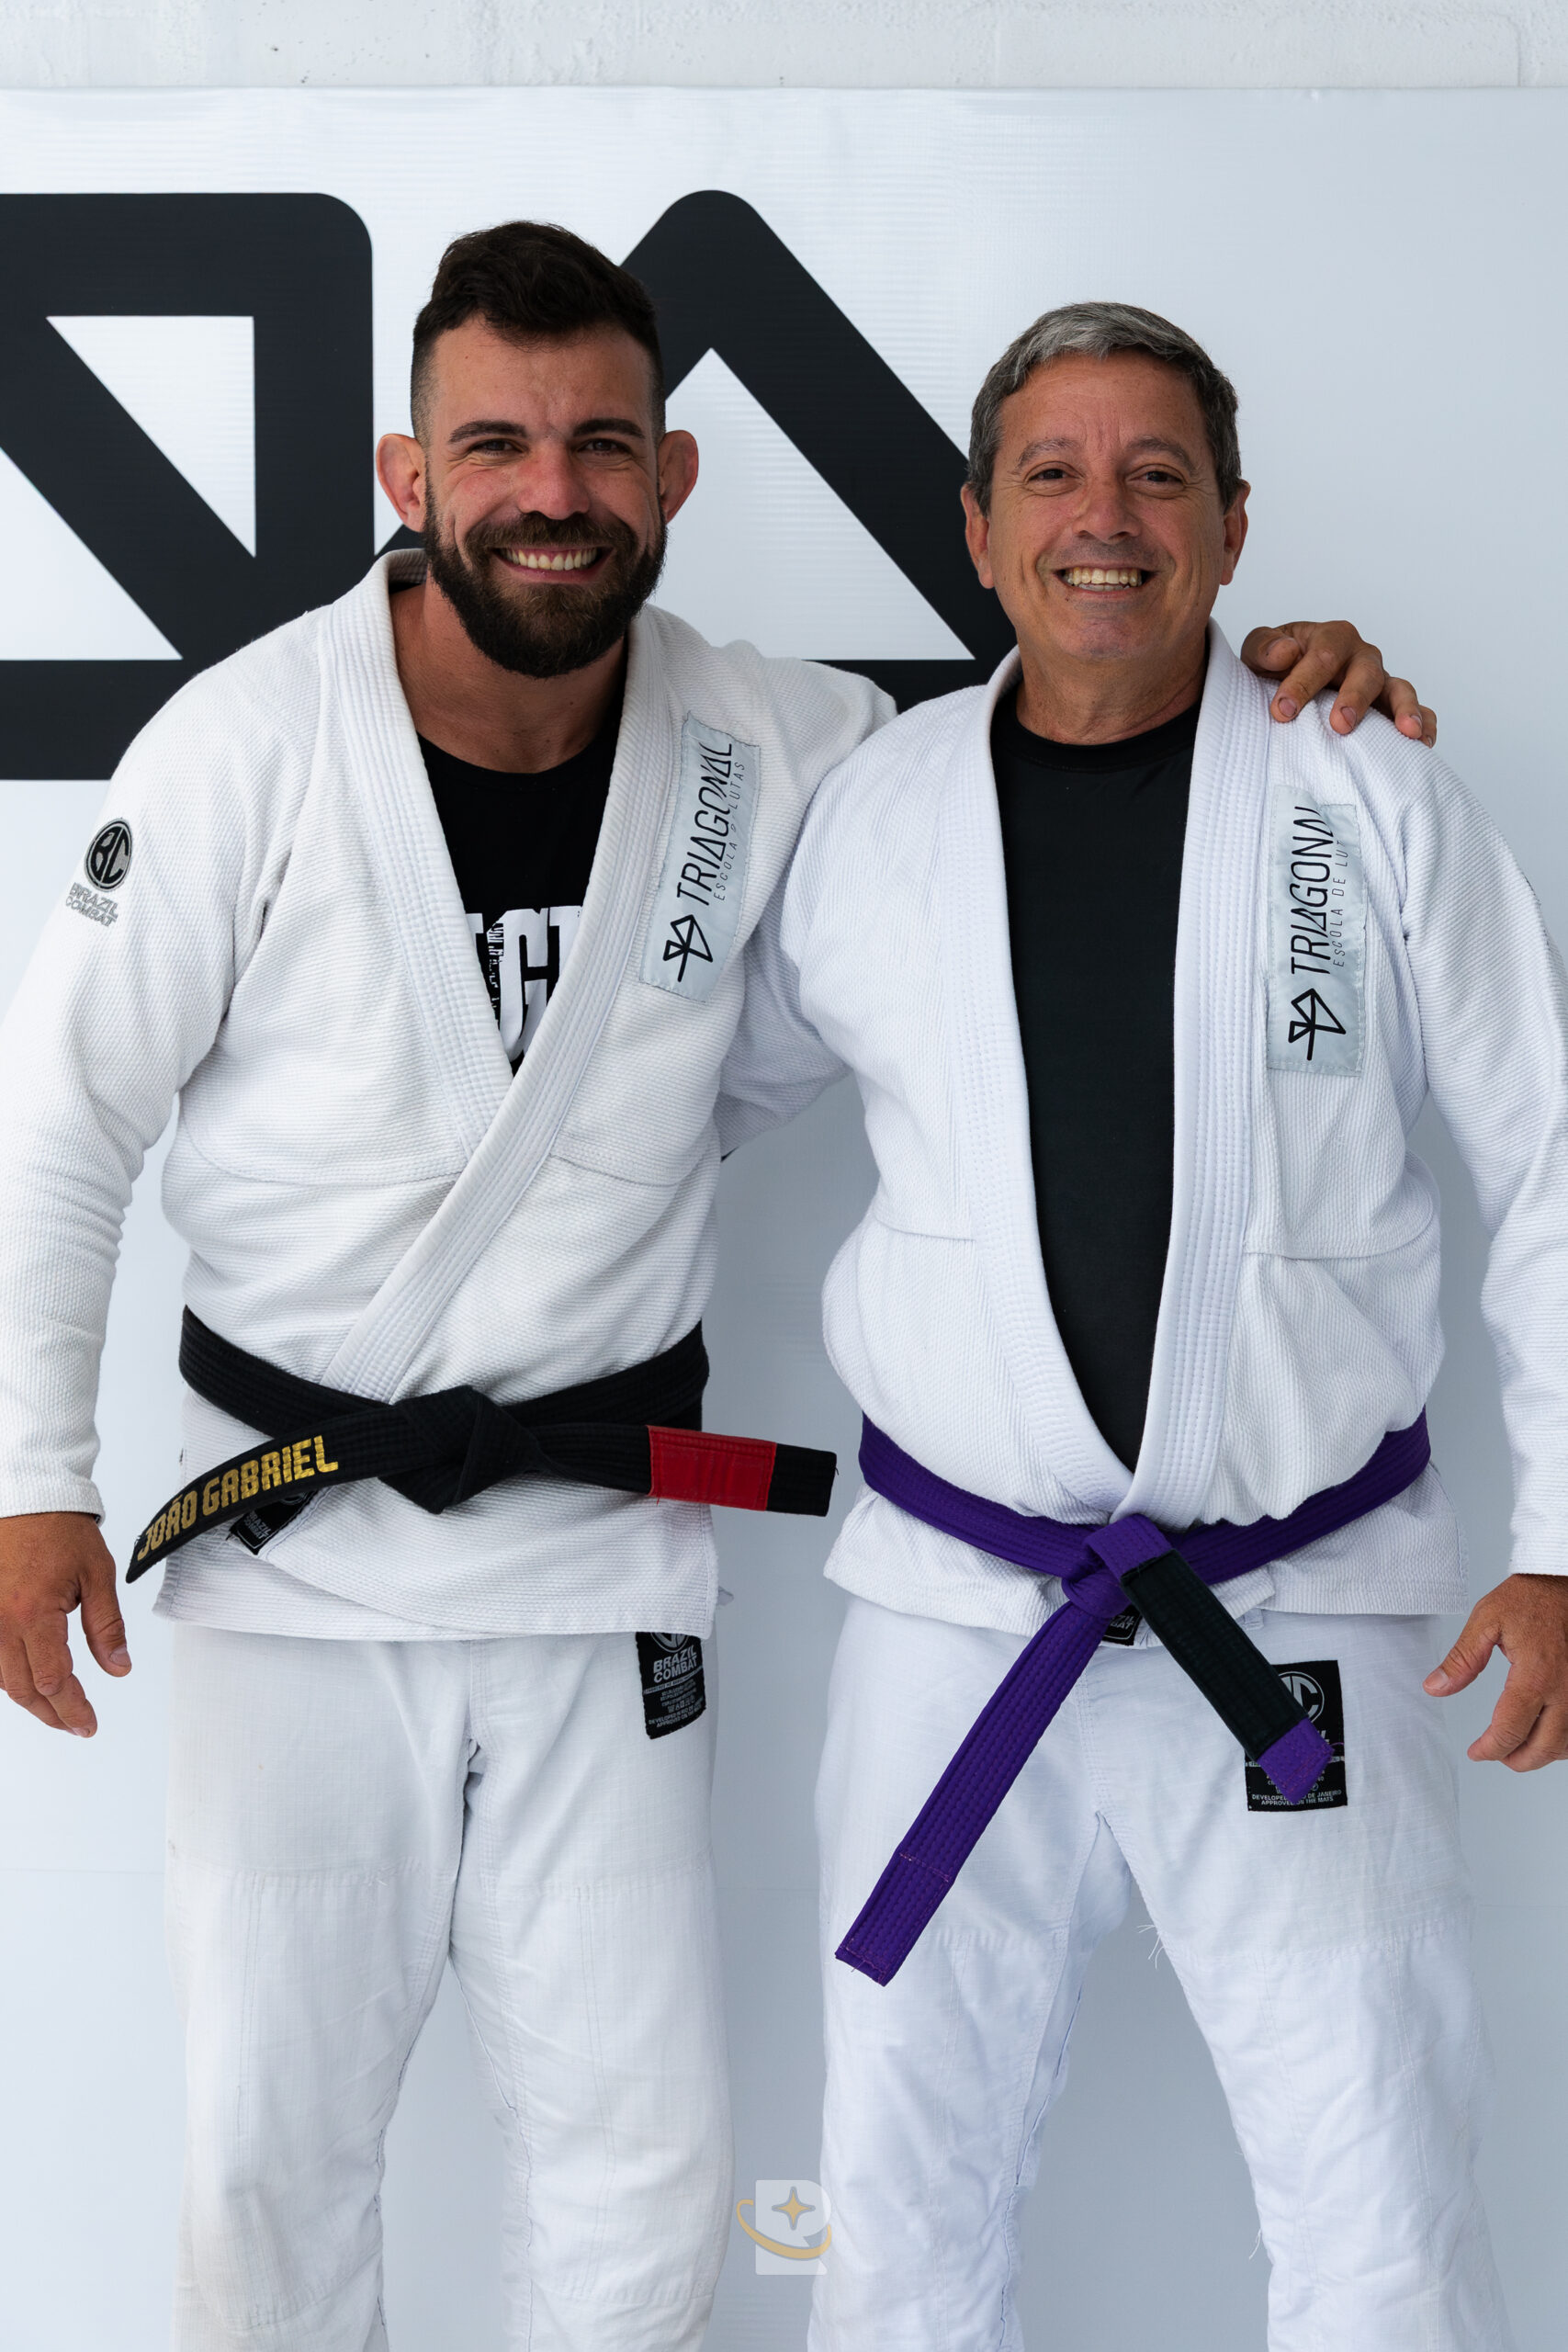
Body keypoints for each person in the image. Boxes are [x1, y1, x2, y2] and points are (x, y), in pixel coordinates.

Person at [0, 212, 1430, 2352]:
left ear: (671, 476)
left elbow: (1061, 727)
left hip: (607, 1580)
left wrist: (1270, 694)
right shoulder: (243, 748)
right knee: (261, 2171)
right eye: (495, 445)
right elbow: (60, 1117)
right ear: (407, 478)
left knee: (650, 2194)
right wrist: (35, 1474)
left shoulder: (776, 744)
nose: (550, 491)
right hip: (294, 1563)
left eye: (601, 444)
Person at [719, 301, 1567, 2349]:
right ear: (978, 528)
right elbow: (676, 1107)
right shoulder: (871, 810)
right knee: (890, 2210)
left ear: (1231, 525)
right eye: (1053, 475)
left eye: (1156, 475)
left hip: (1297, 1617)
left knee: (1379, 2205)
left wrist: (1557, 1540)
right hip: (952, 1618)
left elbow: (1542, 1156)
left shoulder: (1362, 788)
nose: (1103, 517)